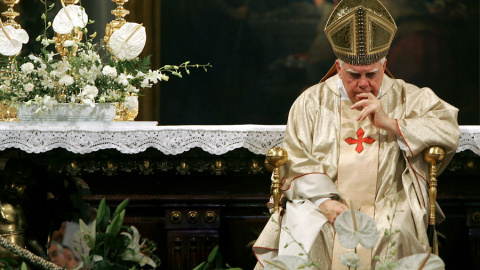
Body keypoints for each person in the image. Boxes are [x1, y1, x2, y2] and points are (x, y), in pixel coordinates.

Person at [252, 0, 459, 269]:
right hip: (323, 203)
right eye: (353, 75)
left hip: (387, 202)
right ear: (338, 67)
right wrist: (326, 202)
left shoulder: (407, 97)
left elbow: (447, 126)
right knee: (310, 230)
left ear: (384, 65)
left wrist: (391, 123)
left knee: (395, 228)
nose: (363, 83)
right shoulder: (311, 102)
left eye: (372, 74)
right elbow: (296, 158)